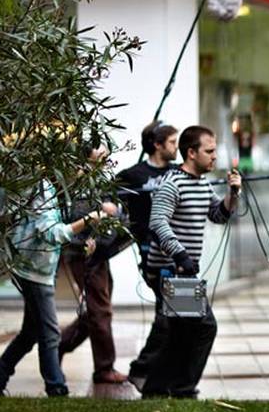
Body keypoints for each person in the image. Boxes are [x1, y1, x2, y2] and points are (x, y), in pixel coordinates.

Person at [141, 125, 240, 398]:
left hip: (181, 270)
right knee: (204, 327)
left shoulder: (201, 183)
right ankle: (180, 388)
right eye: (209, 151)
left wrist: (233, 195)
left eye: (215, 150)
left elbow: (218, 215)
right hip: (169, 270)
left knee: (180, 332)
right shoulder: (173, 183)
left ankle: (158, 388)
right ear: (191, 153)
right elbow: (157, 222)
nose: (215, 157)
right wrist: (180, 254)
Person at [0, 179, 105, 397]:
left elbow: (54, 228)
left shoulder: (50, 185)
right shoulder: (41, 187)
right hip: (34, 269)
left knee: (30, 333)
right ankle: (56, 386)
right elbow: (50, 233)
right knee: (49, 332)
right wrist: (88, 220)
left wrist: (83, 240)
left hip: (36, 267)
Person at [57, 144, 126, 384]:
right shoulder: (77, 184)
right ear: (87, 156)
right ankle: (104, 368)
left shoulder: (100, 181)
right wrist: (105, 213)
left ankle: (59, 344)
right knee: (100, 311)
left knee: (95, 310)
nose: (105, 154)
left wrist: (113, 212)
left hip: (100, 255)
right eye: (99, 150)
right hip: (85, 255)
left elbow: (117, 212)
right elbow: (80, 219)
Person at [117, 121, 178, 389]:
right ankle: (143, 369)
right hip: (151, 254)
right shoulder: (133, 175)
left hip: (176, 252)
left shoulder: (179, 173)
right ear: (157, 144)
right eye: (173, 143)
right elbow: (105, 195)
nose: (178, 148)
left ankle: (156, 371)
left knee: (172, 313)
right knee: (168, 312)